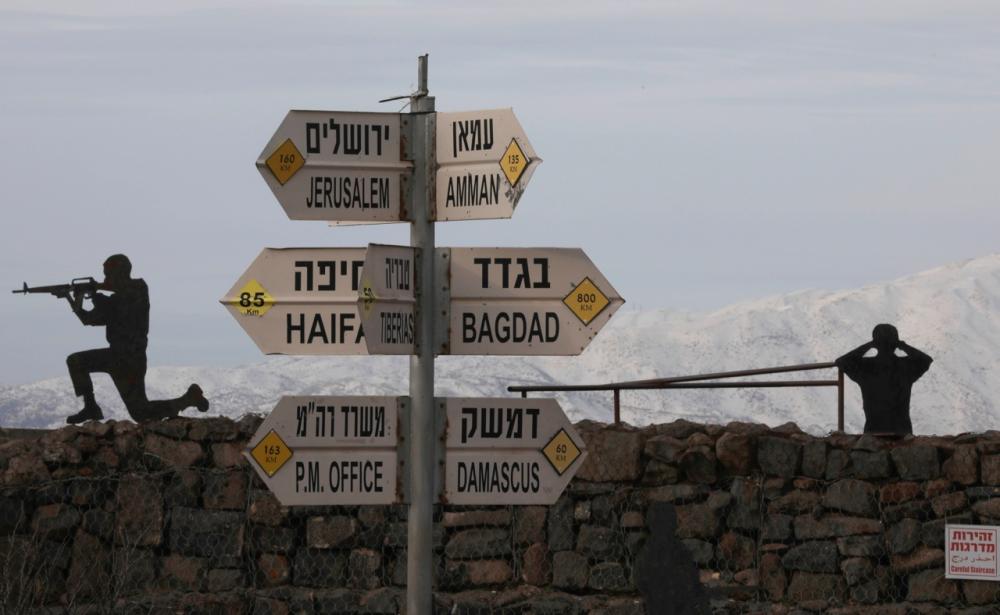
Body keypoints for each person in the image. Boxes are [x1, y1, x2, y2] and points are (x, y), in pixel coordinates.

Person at [65, 254, 209, 424]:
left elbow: (115, 305)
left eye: (108, 275)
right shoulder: (118, 297)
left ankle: (188, 399)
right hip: (117, 356)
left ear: (119, 273)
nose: (105, 279)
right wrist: (74, 300)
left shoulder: (137, 290)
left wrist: (94, 293)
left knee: (140, 412)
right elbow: (90, 320)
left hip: (130, 358)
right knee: (76, 362)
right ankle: (90, 407)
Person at [835, 324, 932, 435]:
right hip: (902, 431)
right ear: (895, 342)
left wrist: (869, 345)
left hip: (873, 431)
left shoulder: (866, 367)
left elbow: (842, 361)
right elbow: (925, 360)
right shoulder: (905, 366)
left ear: (876, 343)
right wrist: (902, 345)